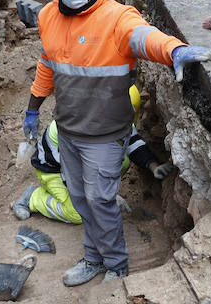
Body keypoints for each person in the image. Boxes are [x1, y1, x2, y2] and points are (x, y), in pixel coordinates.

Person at [25, 0, 211, 285]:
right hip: (68, 131)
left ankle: (116, 265)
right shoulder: (47, 17)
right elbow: (47, 64)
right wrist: (32, 108)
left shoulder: (116, 19)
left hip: (104, 137)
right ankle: (94, 258)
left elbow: (144, 37)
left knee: (100, 200)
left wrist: (173, 50)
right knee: (81, 200)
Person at [14, 85, 173, 224]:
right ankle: (33, 198)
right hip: (54, 169)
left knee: (121, 159)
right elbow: (75, 174)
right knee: (77, 214)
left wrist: (153, 166)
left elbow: (132, 142)